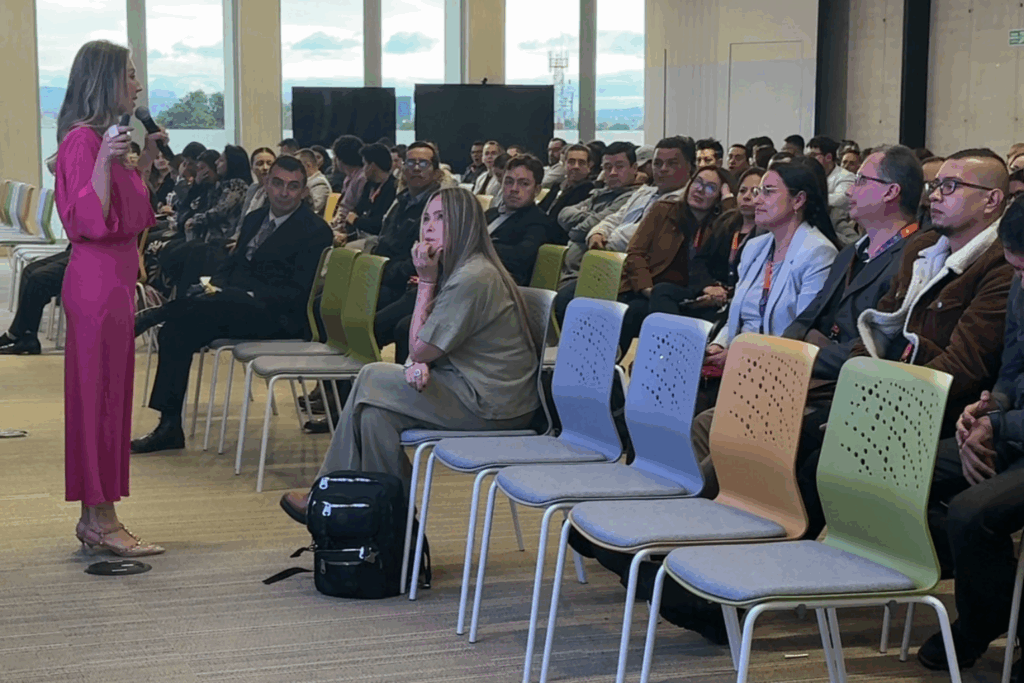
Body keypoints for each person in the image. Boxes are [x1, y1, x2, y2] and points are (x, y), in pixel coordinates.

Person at [279, 187, 542, 519]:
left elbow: (419, 346)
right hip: (469, 388)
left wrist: (426, 285)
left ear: (465, 223)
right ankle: (393, 526)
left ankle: (324, 492)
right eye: (426, 218)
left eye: (441, 218)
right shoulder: (461, 267)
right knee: (376, 418)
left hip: (494, 404)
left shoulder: (473, 276)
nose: (429, 227)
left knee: (372, 374)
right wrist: (420, 361)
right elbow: (429, 346)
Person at [797, 149, 1014, 540]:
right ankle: (787, 556)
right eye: (934, 186)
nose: (934, 195)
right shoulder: (922, 248)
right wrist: (857, 396)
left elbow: (964, 365)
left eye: (950, 186)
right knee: (805, 441)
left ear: (992, 200)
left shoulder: (1000, 266)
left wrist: (878, 409)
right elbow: (875, 329)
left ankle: (802, 567)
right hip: (892, 394)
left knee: (823, 462)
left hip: (942, 410)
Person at [691, 146, 927, 495]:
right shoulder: (854, 252)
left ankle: (696, 518)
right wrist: (788, 349)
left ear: (891, 192)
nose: (850, 190)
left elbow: (878, 345)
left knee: (730, 447)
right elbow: (806, 319)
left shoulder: (912, 256)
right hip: (802, 374)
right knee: (703, 425)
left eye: (861, 180)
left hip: (839, 388)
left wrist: (799, 354)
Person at [130, 156, 333, 453]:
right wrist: (217, 284)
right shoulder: (254, 219)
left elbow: (298, 292)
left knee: (202, 307)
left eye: (293, 186)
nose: (284, 192)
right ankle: (169, 424)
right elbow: (232, 263)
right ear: (266, 184)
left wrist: (241, 293)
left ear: (303, 191)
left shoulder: (314, 230)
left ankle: (156, 313)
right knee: (176, 329)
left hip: (279, 316)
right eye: (277, 183)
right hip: (234, 306)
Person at [55, 40, 166, 555]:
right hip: (96, 282)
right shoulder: (83, 142)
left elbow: (132, 217)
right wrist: (104, 159)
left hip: (117, 280)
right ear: (105, 81)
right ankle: (102, 519)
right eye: (129, 75)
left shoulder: (109, 141)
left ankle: (94, 516)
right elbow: (86, 220)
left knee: (108, 397)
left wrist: (142, 168)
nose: (137, 85)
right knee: (97, 399)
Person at [914, 195, 1024, 678]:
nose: (1022, 281)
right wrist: (987, 409)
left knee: (971, 512)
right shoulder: (1020, 281)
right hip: (1013, 428)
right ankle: (996, 599)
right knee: (902, 472)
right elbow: (1013, 366)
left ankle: (979, 623)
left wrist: (996, 425)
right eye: (1018, 270)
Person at [697, 163, 840, 410]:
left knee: (697, 410)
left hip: (775, 373)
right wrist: (720, 344)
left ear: (798, 200)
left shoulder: (818, 253)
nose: (757, 200)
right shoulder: (755, 248)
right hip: (737, 365)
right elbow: (738, 314)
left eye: (768, 192)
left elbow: (801, 330)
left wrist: (741, 355)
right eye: (757, 192)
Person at [585, 136, 695, 254]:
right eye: (657, 163)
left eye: (671, 163)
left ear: (690, 167)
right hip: (612, 256)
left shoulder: (686, 202)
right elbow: (615, 218)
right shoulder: (644, 192)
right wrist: (597, 233)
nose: (663, 169)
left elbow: (639, 236)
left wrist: (606, 242)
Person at [557, 141, 641, 281]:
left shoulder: (633, 197)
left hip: (595, 275)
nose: (613, 173)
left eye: (619, 167)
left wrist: (574, 231)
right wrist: (589, 216)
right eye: (607, 167)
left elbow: (583, 230)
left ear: (634, 168)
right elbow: (562, 214)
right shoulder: (599, 193)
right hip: (571, 270)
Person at [184, 145, 252, 243]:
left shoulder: (237, 185)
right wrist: (198, 185)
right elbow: (195, 205)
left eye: (221, 161)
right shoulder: (220, 184)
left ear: (232, 164)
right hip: (209, 236)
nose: (216, 163)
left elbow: (221, 211)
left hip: (224, 238)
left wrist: (195, 219)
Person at [341, 142, 398, 243]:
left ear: (372, 165)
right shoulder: (369, 185)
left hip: (378, 240)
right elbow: (357, 210)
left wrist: (356, 220)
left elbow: (380, 225)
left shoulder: (392, 188)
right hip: (361, 235)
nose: (363, 169)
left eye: (365, 164)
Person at [538, 143, 596, 228]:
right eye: (571, 162)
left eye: (581, 162)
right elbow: (541, 208)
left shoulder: (588, 191)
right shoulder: (558, 186)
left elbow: (558, 221)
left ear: (589, 166)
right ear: (565, 164)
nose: (576, 166)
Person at [807, 135, 855, 214]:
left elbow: (840, 199)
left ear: (828, 157)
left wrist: (809, 198)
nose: (809, 159)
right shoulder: (809, 175)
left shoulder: (846, 176)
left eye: (813, 155)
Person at [296, 148, 331, 214]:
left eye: (297, 165)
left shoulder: (320, 183)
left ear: (308, 165)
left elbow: (314, 210)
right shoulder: (309, 181)